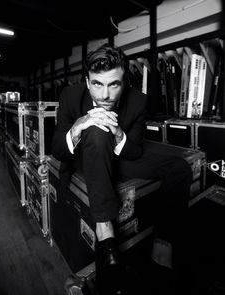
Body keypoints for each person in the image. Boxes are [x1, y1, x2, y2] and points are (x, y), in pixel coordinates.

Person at [51, 43, 192, 294]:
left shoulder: (138, 101)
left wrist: (117, 133)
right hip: (87, 158)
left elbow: (135, 149)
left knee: (179, 168)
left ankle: (162, 248)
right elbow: (58, 150)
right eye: (97, 84)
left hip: (119, 157)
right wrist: (78, 127)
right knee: (95, 131)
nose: (104, 95)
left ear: (124, 82)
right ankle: (106, 235)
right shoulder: (70, 96)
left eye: (113, 84)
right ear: (87, 81)